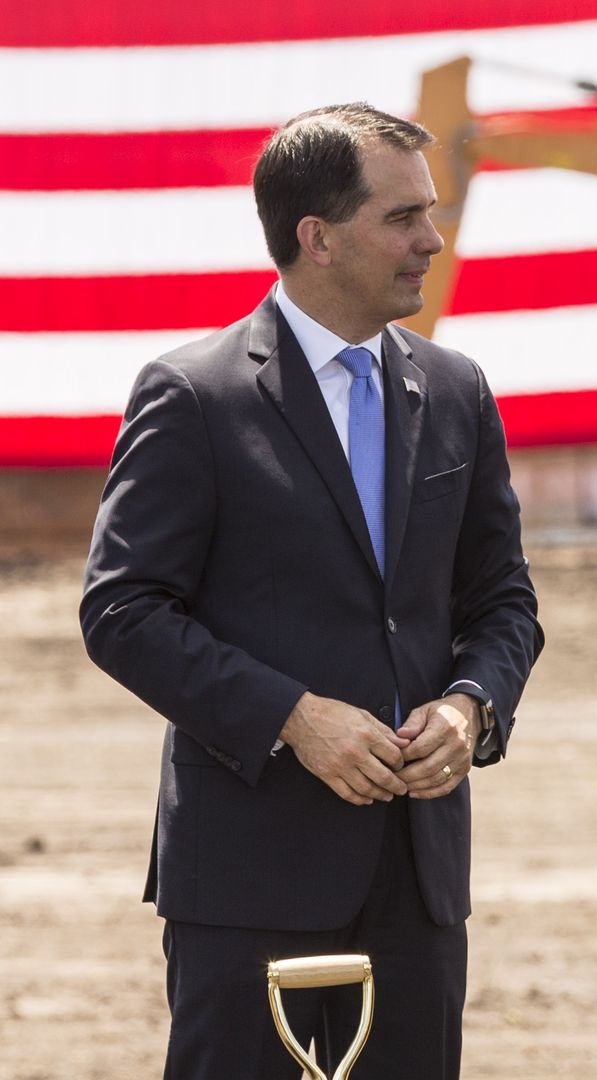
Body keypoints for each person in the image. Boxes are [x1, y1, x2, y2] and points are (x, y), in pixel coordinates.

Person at [79, 103, 543, 1079]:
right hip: (249, 875)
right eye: (403, 217)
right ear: (317, 237)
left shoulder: (456, 390)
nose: (432, 239)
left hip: (416, 879)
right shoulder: (193, 395)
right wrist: (294, 718)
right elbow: (122, 612)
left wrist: (471, 707)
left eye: (430, 212)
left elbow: (503, 598)